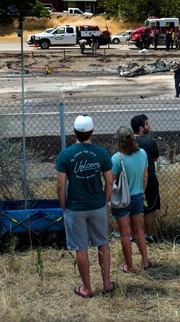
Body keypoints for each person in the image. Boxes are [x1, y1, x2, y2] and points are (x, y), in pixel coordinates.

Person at [55, 115, 115, 298]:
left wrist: (64, 206)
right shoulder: (101, 152)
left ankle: (87, 288)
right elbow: (110, 181)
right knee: (102, 243)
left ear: (74, 132)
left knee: (81, 247)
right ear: (92, 132)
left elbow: (60, 186)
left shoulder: (65, 154)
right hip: (97, 205)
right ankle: (106, 283)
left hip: (75, 207)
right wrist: (104, 200)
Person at [110, 126, 151, 273]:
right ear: (133, 138)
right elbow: (145, 175)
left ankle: (130, 266)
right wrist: (143, 191)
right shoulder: (142, 154)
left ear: (119, 141)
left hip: (122, 199)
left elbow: (111, 181)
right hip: (138, 195)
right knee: (139, 229)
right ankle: (145, 261)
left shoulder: (116, 158)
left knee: (125, 233)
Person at [131, 114, 160, 244]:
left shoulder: (127, 142)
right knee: (149, 209)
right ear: (141, 128)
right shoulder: (150, 143)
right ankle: (148, 235)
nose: (149, 126)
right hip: (150, 180)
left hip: (132, 180)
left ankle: (133, 235)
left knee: (132, 209)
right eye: (147, 124)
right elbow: (155, 158)